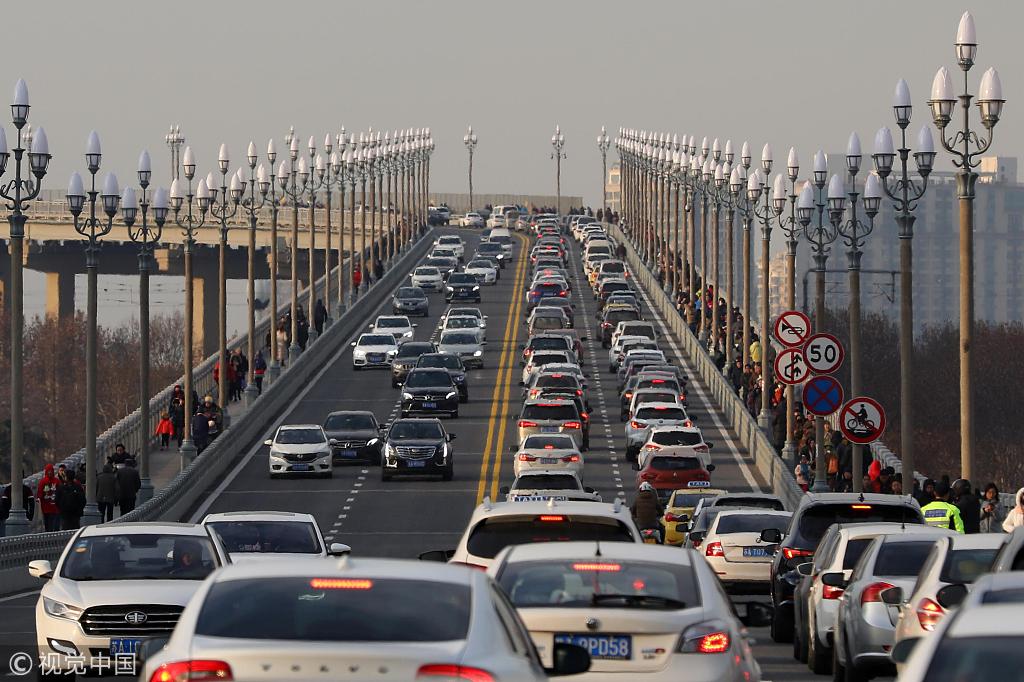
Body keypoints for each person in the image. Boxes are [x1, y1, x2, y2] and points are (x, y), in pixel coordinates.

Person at [36, 463, 62, 532]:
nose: (50, 472)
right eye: (48, 471)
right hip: (45, 508)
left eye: (51, 471)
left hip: (55, 507)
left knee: (54, 526)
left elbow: (60, 491)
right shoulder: (43, 481)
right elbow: (40, 493)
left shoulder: (56, 481)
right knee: (47, 525)